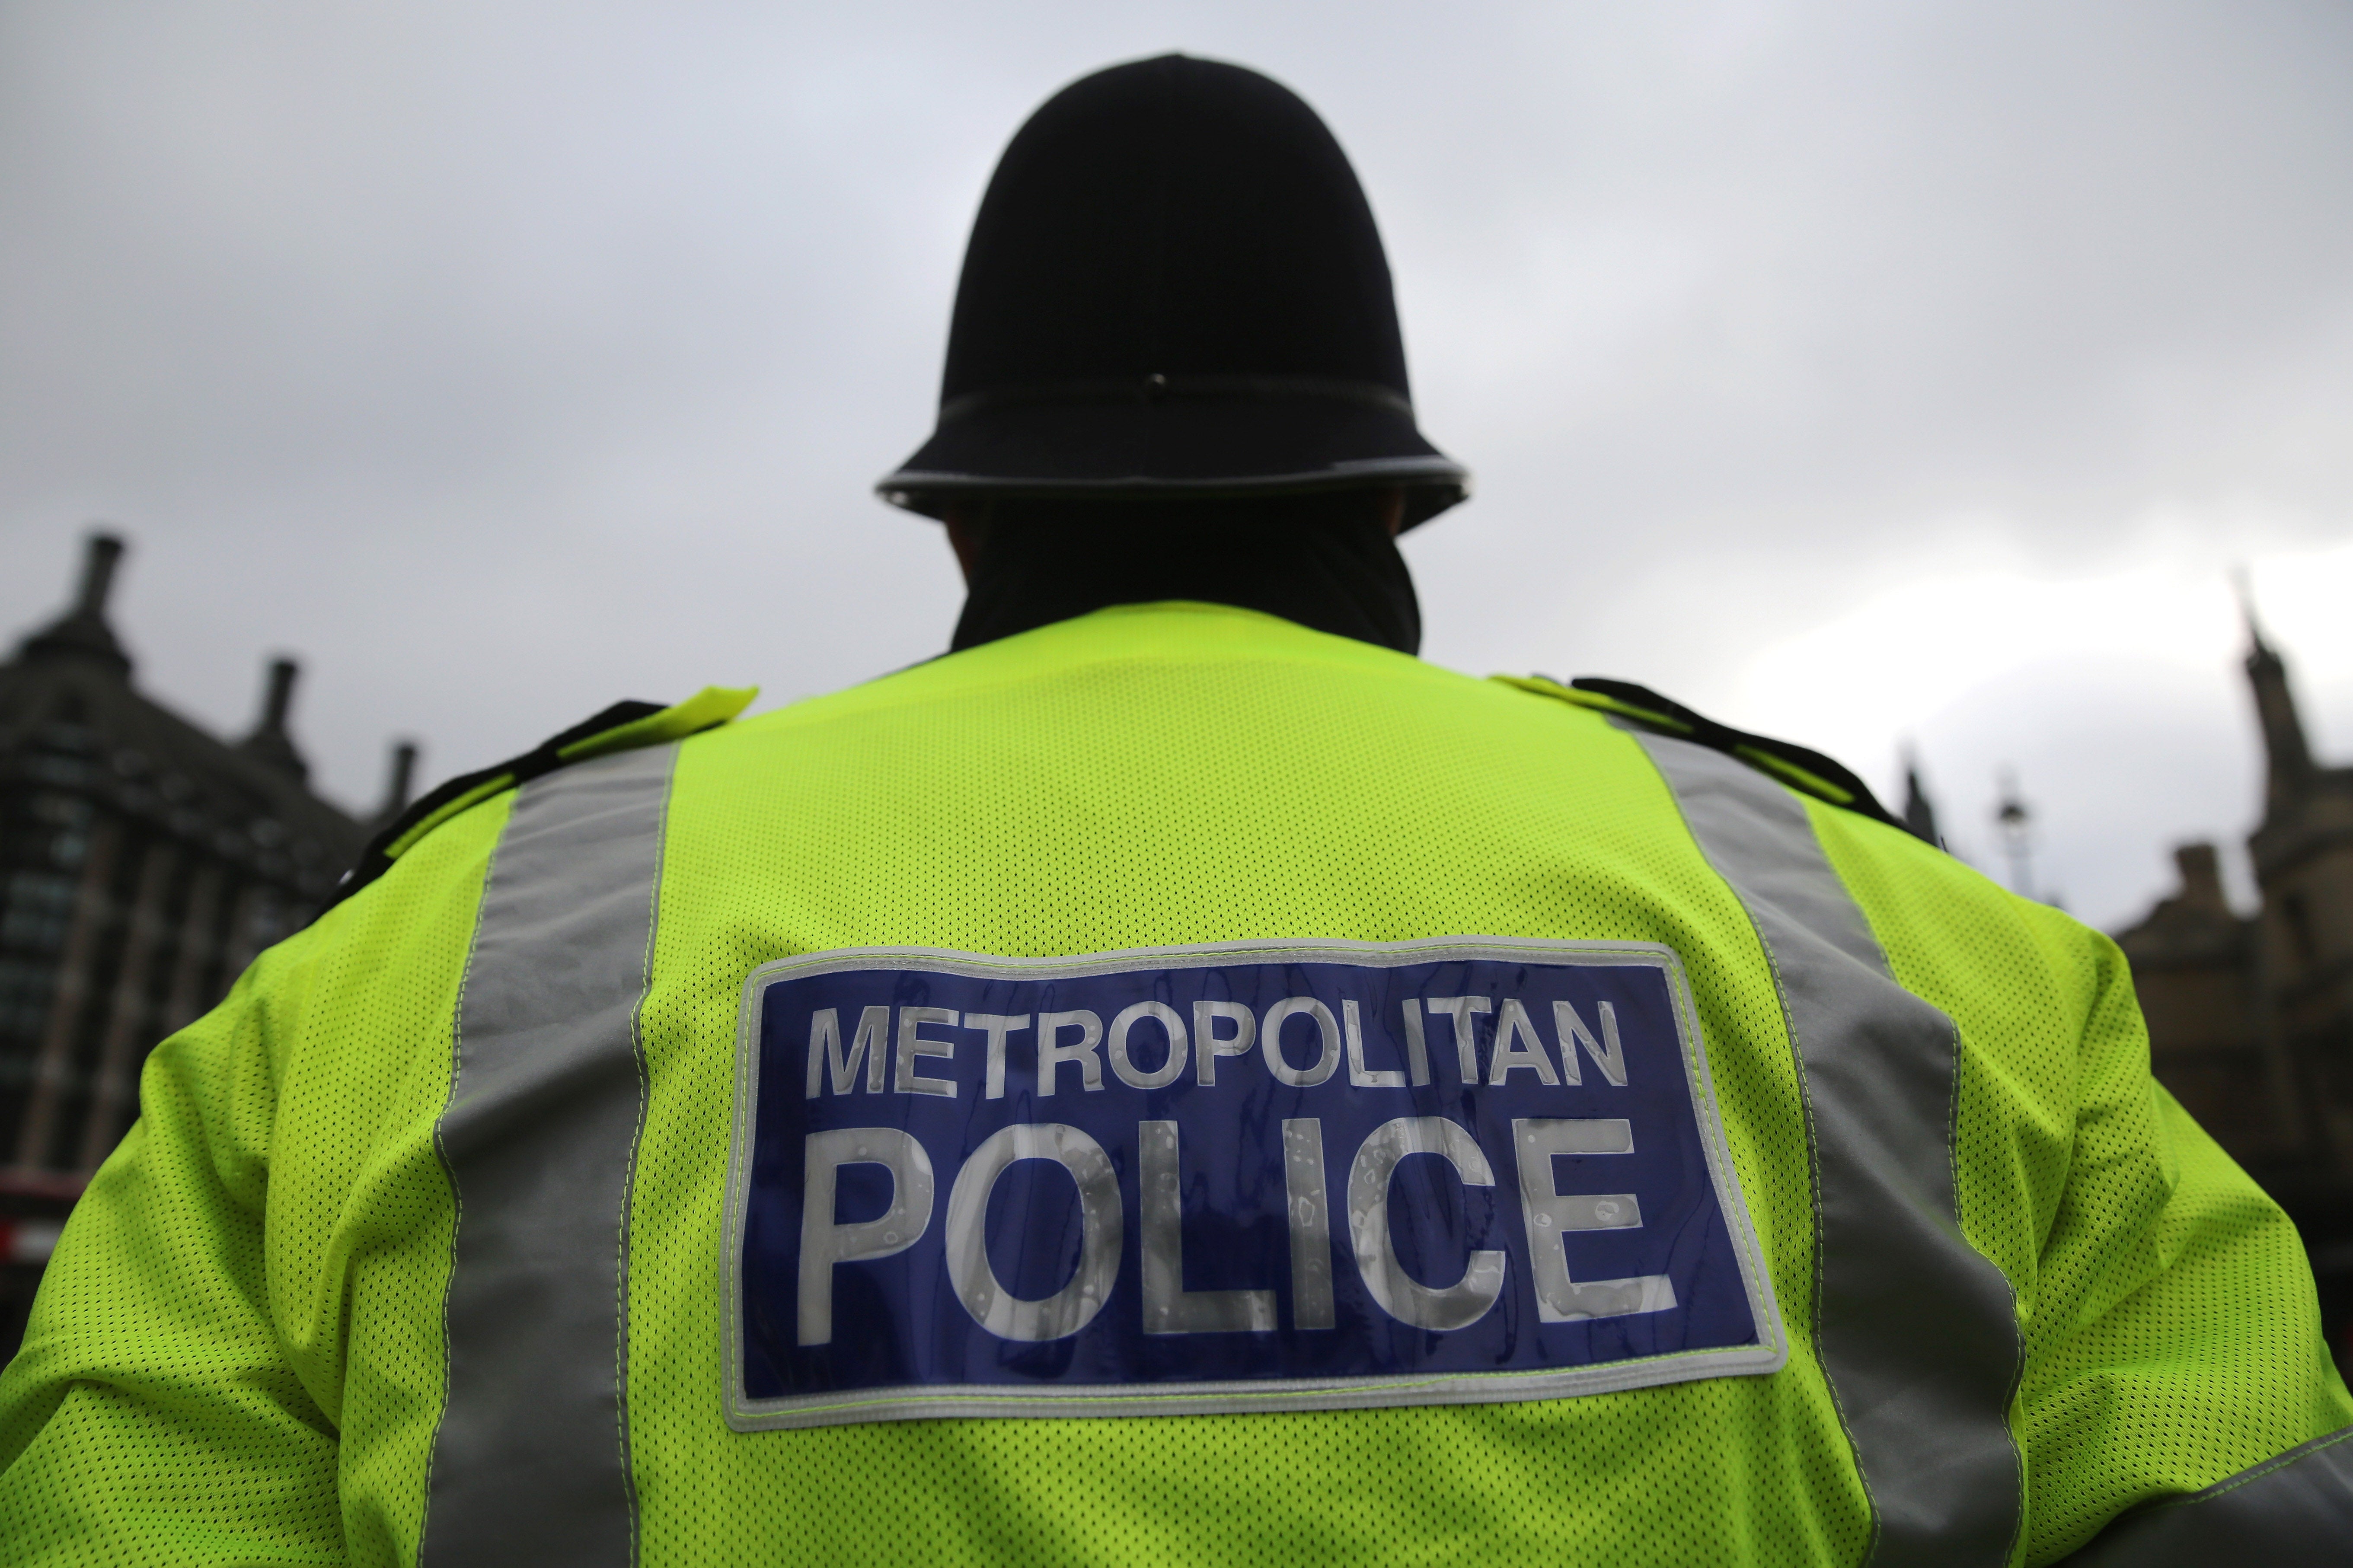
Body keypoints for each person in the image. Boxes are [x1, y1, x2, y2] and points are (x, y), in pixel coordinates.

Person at [1, 52, 2347, 1568]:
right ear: (1390, 509)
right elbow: (2245, 1500)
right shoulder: (1902, 942)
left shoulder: (460, 944)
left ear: (959, 524)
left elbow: (123, 1490)